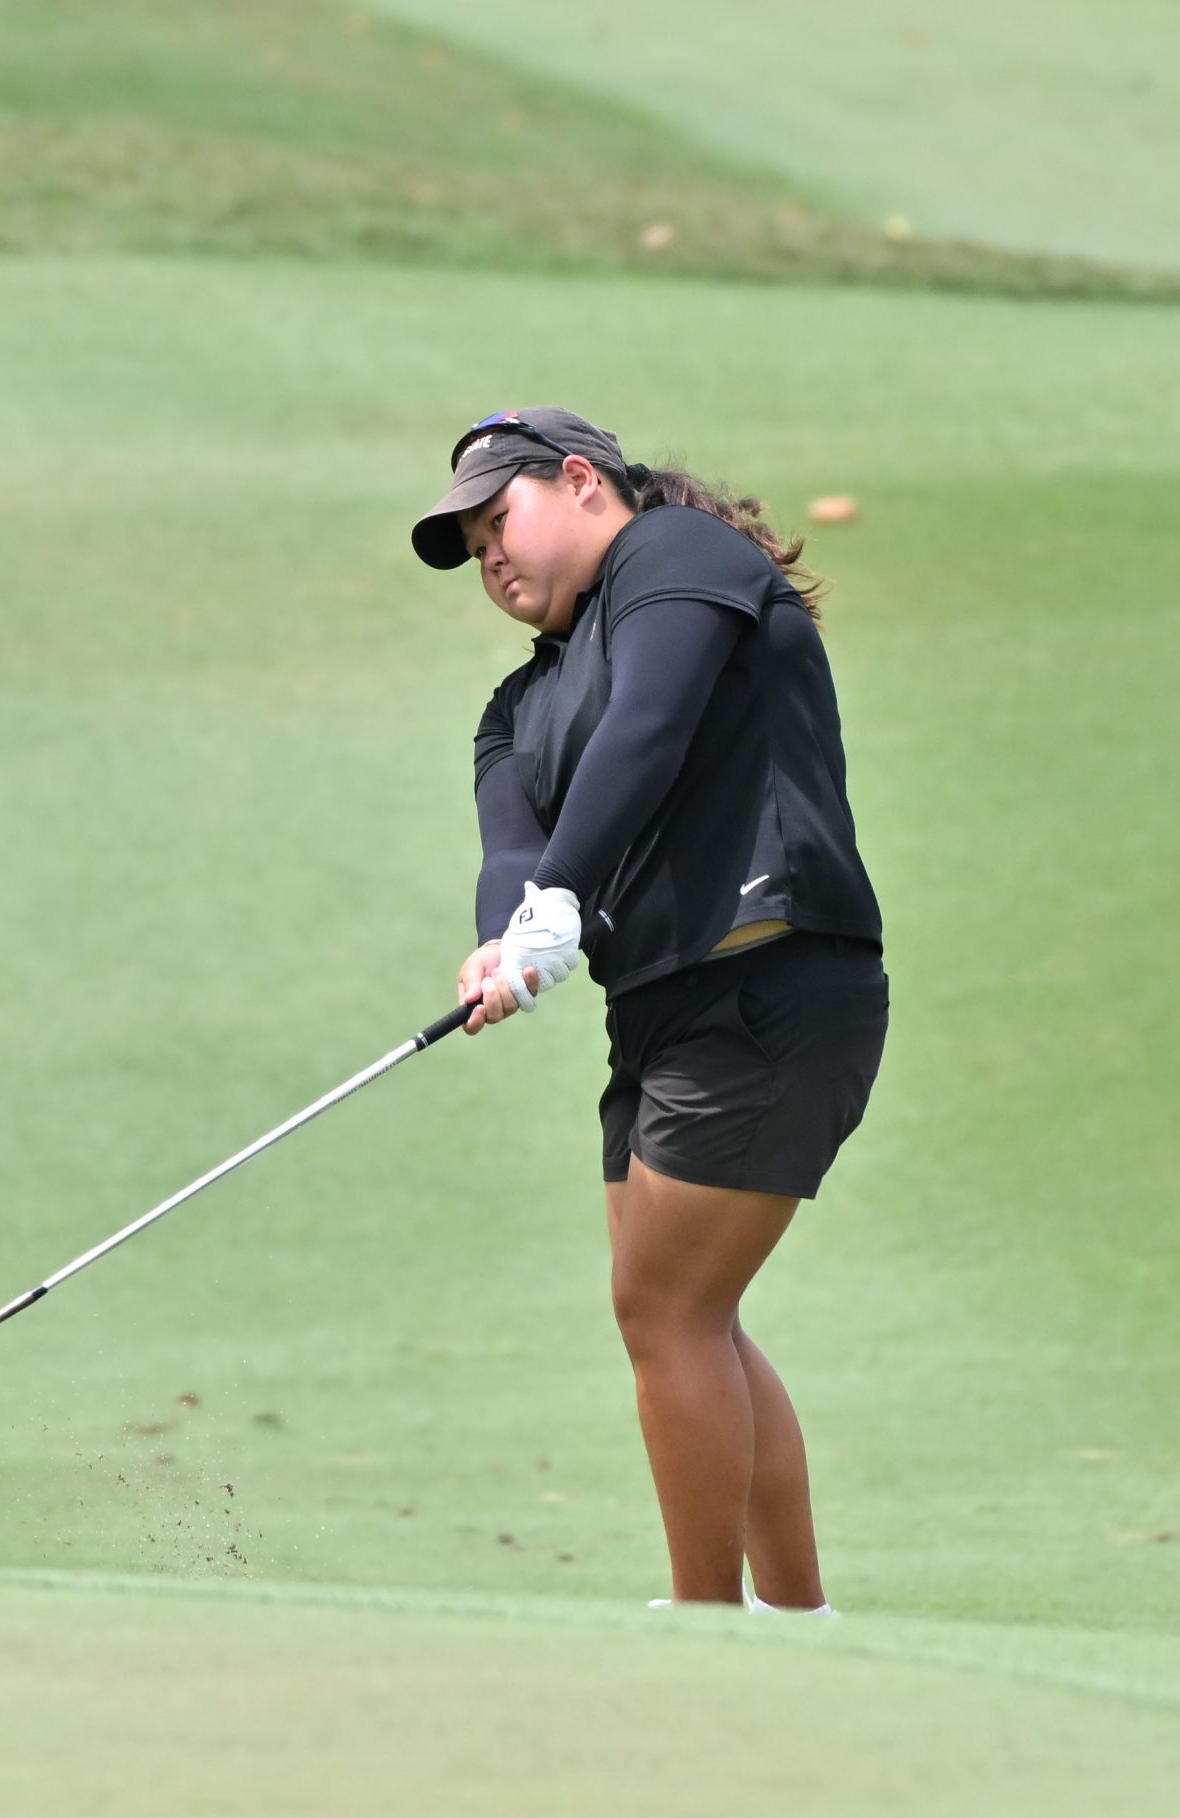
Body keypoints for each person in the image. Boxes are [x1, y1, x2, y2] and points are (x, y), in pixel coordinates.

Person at [411, 407, 888, 1612]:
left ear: (580, 480)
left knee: (664, 1307)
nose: (489, 557)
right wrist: (503, 938)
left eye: (498, 518)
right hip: (663, 1010)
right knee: (689, 1314)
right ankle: (797, 1619)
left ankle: (705, 1622)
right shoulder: (516, 707)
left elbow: (651, 722)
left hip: (770, 975)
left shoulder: (672, 555)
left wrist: (561, 899)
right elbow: (513, 846)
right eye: (471, 549)